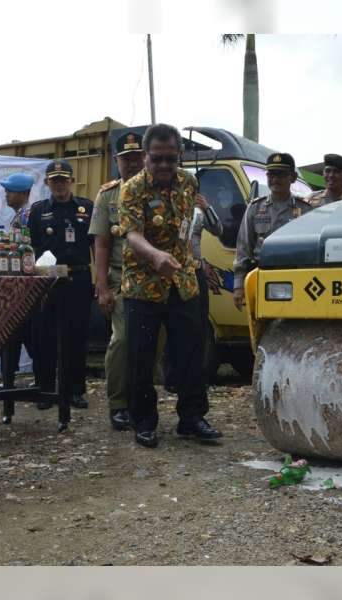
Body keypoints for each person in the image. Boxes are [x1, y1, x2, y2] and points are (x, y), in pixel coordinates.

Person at [119, 123, 223, 448]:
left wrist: (195, 264)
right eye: (157, 158)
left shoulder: (189, 183)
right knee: (141, 355)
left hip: (183, 280)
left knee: (191, 352)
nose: (164, 165)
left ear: (179, 156)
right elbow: (132, 234)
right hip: (143, 283)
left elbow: (189, 226)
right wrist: (155, 255)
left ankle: (191, 417)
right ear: (146, 157)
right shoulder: (132, 188)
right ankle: (144, 421)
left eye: (171, 158)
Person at [89, 133, 145, 430]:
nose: (133, 163)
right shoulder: (108, 195)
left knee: (148, 344)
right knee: (122, 340)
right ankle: (118, 404)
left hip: (151, 280)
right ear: (117, 162)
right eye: (127, 159)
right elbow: (101, 244)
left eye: (137, 157)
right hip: (120, 278)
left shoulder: (155, 191)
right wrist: (101, 287)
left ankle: (140, 401)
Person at [29, 159, 93, 410]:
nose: (59, 185)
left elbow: (96, 246)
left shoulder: (86, 209)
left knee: (77, 336)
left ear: (71, 181)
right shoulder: (37, 211)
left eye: (63, 180)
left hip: (78, 278)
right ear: (47, 182)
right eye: (54, 180)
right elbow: (32, 246)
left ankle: (75, 390)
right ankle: (45, 389)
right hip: (47, 281)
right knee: (44, 336)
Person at [233, 152, 313, 311]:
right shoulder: (255, 208)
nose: (275, 179)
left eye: (281, 174)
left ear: (293, 177)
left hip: (296, 279)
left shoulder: (304, 209)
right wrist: (238, 286)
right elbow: (243, 249)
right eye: (271, 174)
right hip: (261, 277)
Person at [162, 191, 223, 392]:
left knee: (198, 325)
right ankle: (171, 378)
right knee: (172, 326)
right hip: (172, 270)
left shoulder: (198, 210)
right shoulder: (166, 205)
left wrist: (207, 207)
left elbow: (218, 229)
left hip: (195, 271)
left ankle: (195, 378)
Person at [0, 172, 36, 391]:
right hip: (18, 283)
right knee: (18, 331)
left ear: (24, 193)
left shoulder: (28, 215)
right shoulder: (20, 215)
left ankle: (37, 374)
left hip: (26, 284)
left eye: (10, 191)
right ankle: (9, 375)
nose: (6, 194)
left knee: (27, 332)